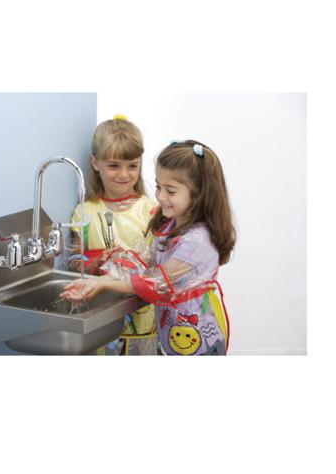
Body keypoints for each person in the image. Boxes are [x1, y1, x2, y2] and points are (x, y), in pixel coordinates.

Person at [62, 140, 236, 355]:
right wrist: (113, 265)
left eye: (170, 191)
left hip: (199, 335)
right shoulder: (170, 224)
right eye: (158, 187)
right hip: (171, 329)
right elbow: (145, 260)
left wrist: (103, 283)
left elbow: (155, 282)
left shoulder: (197, 241)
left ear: (199, 193)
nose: (160, 197)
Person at [67, 115, 158, 350]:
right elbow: (74, 260)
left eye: (132, 166)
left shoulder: (151, 211)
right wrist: (96, 262)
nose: (124, 174)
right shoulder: (84, 212)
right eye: (114, 165)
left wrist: (131, 263)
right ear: (95, 163)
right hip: (100, 315)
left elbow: (159, 265)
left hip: (141, 315)